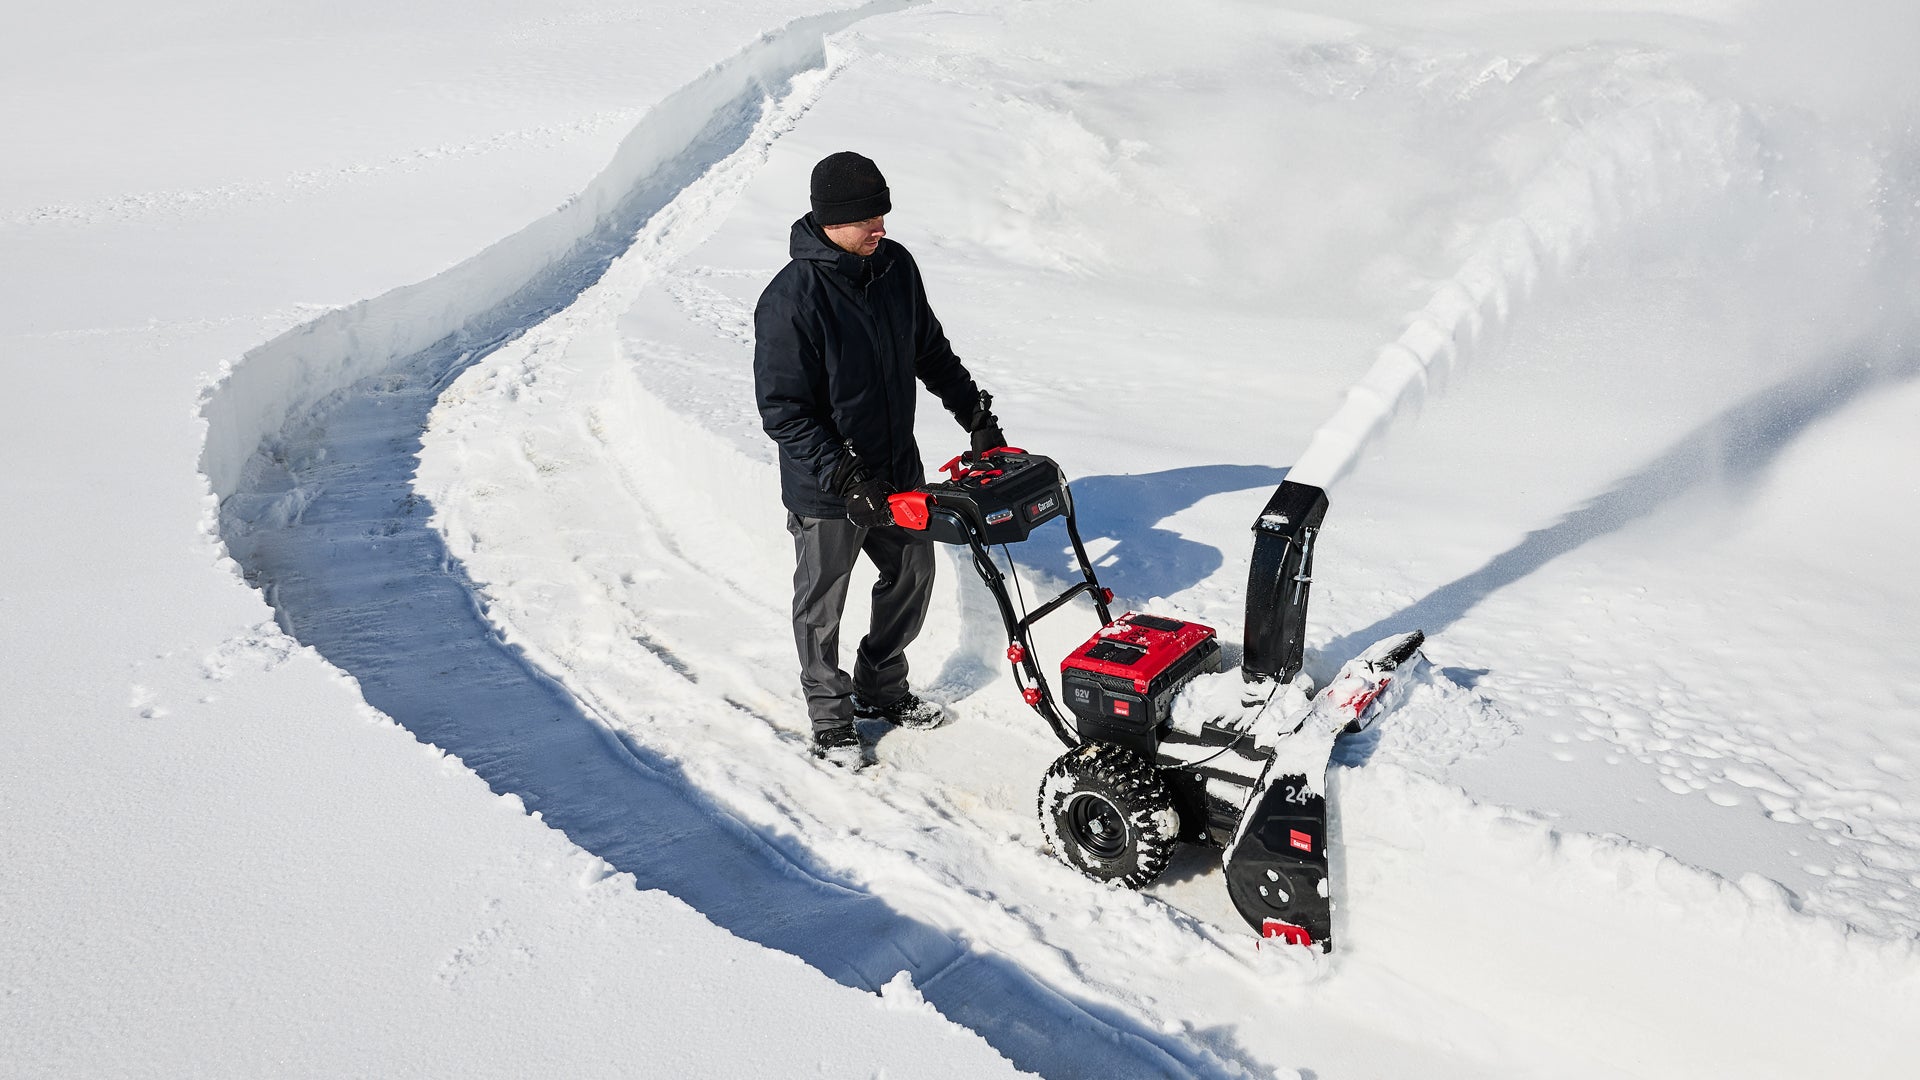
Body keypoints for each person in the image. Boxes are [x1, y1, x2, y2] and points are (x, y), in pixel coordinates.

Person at [753, 151, 1007, 769]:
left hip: (896, 470)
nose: (882, 228)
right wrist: (845, 474)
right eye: (869, 219)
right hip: (827, 488)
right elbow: (784, 411)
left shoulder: (895, 267)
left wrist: (975, 414)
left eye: (884, 214)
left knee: (913, 573)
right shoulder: (791, 299)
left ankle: (881, 684)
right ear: (832, 220)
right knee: (823, 604)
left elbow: (929, 349)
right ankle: (831, 716)